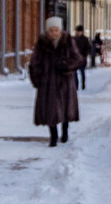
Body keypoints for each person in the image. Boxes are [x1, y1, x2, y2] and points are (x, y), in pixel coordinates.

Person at [29, 17, 81, 146]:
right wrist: (37, 78)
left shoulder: (68, 41)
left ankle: (65, 131)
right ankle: (53, 136)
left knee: (65, 109)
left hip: (64, 81)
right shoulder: (42, 44)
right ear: (47, 31)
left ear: (60, 30)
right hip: (47, 83)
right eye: (51, 30)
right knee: (50, 110)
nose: (54, 33)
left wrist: (65, 65)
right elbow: (34, 62)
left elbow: (78, 59)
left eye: (56, 30)